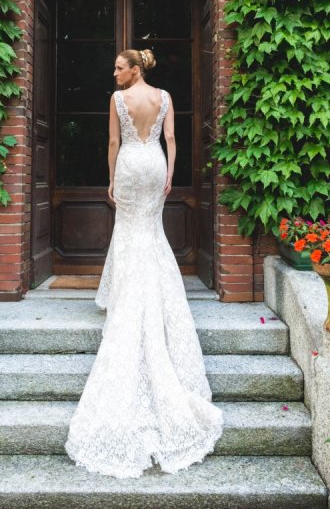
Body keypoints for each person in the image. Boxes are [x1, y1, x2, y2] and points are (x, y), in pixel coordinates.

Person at [64, 49, 223, 478]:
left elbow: (114, 143)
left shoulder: (118, 102)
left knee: (131, 228)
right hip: (153, 164)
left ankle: (126, 291)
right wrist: (171, 173)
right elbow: (172, 140)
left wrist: (111, 178)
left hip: (132, 165)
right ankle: (149, 287)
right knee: (151, 231)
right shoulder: (165, 97)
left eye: (118, 67)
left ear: (134, 70)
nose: (113, 72)